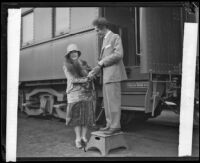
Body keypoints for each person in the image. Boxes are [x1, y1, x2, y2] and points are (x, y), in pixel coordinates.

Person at [88, 17, 127, 135]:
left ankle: (115, 126)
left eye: (97, 30)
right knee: (108, 103)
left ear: (103, 28)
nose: (97, 33)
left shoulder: (114, 37)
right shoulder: (105, 40)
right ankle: (110, 124)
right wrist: (96, 70)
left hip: (113, 75)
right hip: (106, 77)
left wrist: (101, 62)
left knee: (113, 102)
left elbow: (119, 54)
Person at [63, 43, 95, 149]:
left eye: (75, 52)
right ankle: (77, 138)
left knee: (86, 116)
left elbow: (90, 72)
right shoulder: (67, 66)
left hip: (86, 92)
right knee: (76, 117)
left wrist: (92, 74)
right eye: (71, 53)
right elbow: (73, 80)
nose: (73, 54)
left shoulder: (83, 63)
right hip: (74, 93)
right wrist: (87, 79)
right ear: (68, 55)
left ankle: (83, 137)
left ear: (78, 53)